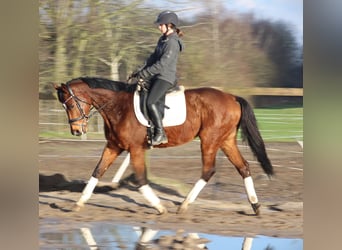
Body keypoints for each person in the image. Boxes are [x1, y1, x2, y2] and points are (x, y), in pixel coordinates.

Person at [132, 10, 184, 146]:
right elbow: (152, 58)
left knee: (150, 102)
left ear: (169, 25)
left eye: (161, 25)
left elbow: (162, 65)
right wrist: (139, 71)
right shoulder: (162, 39)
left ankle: (160, 133)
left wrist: (145, 74)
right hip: (157, 76)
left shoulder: (172, 43)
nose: (159, 27)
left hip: (165, 78)